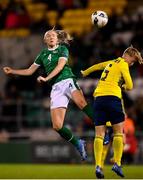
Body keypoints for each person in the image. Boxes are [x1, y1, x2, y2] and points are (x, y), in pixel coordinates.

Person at [3, 29, 94, 161]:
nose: (51, 37)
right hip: (56, 88)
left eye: (53, 35)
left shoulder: (62, 49)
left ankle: (104, 127)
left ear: (57, 39)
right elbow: (29, 71)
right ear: (45, 40)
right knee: (57, 126)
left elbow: (60, 66)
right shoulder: (42, 54)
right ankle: (78, 143)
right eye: (48, 36)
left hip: (67, 80)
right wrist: (13, 71)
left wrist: (46, 78)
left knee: (81, 103)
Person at [81, 46, 143, 178]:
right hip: (113, 99)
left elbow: (97, 66)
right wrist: (124, 86)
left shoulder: (110, 62)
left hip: (98, 99)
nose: (132, 64)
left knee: (99, 135)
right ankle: (117, 163)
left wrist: (85, 72)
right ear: (127, 56)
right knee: (118, 133)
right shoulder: (123, 64)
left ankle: (98, 166)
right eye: (132, 61)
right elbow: (131, 85)